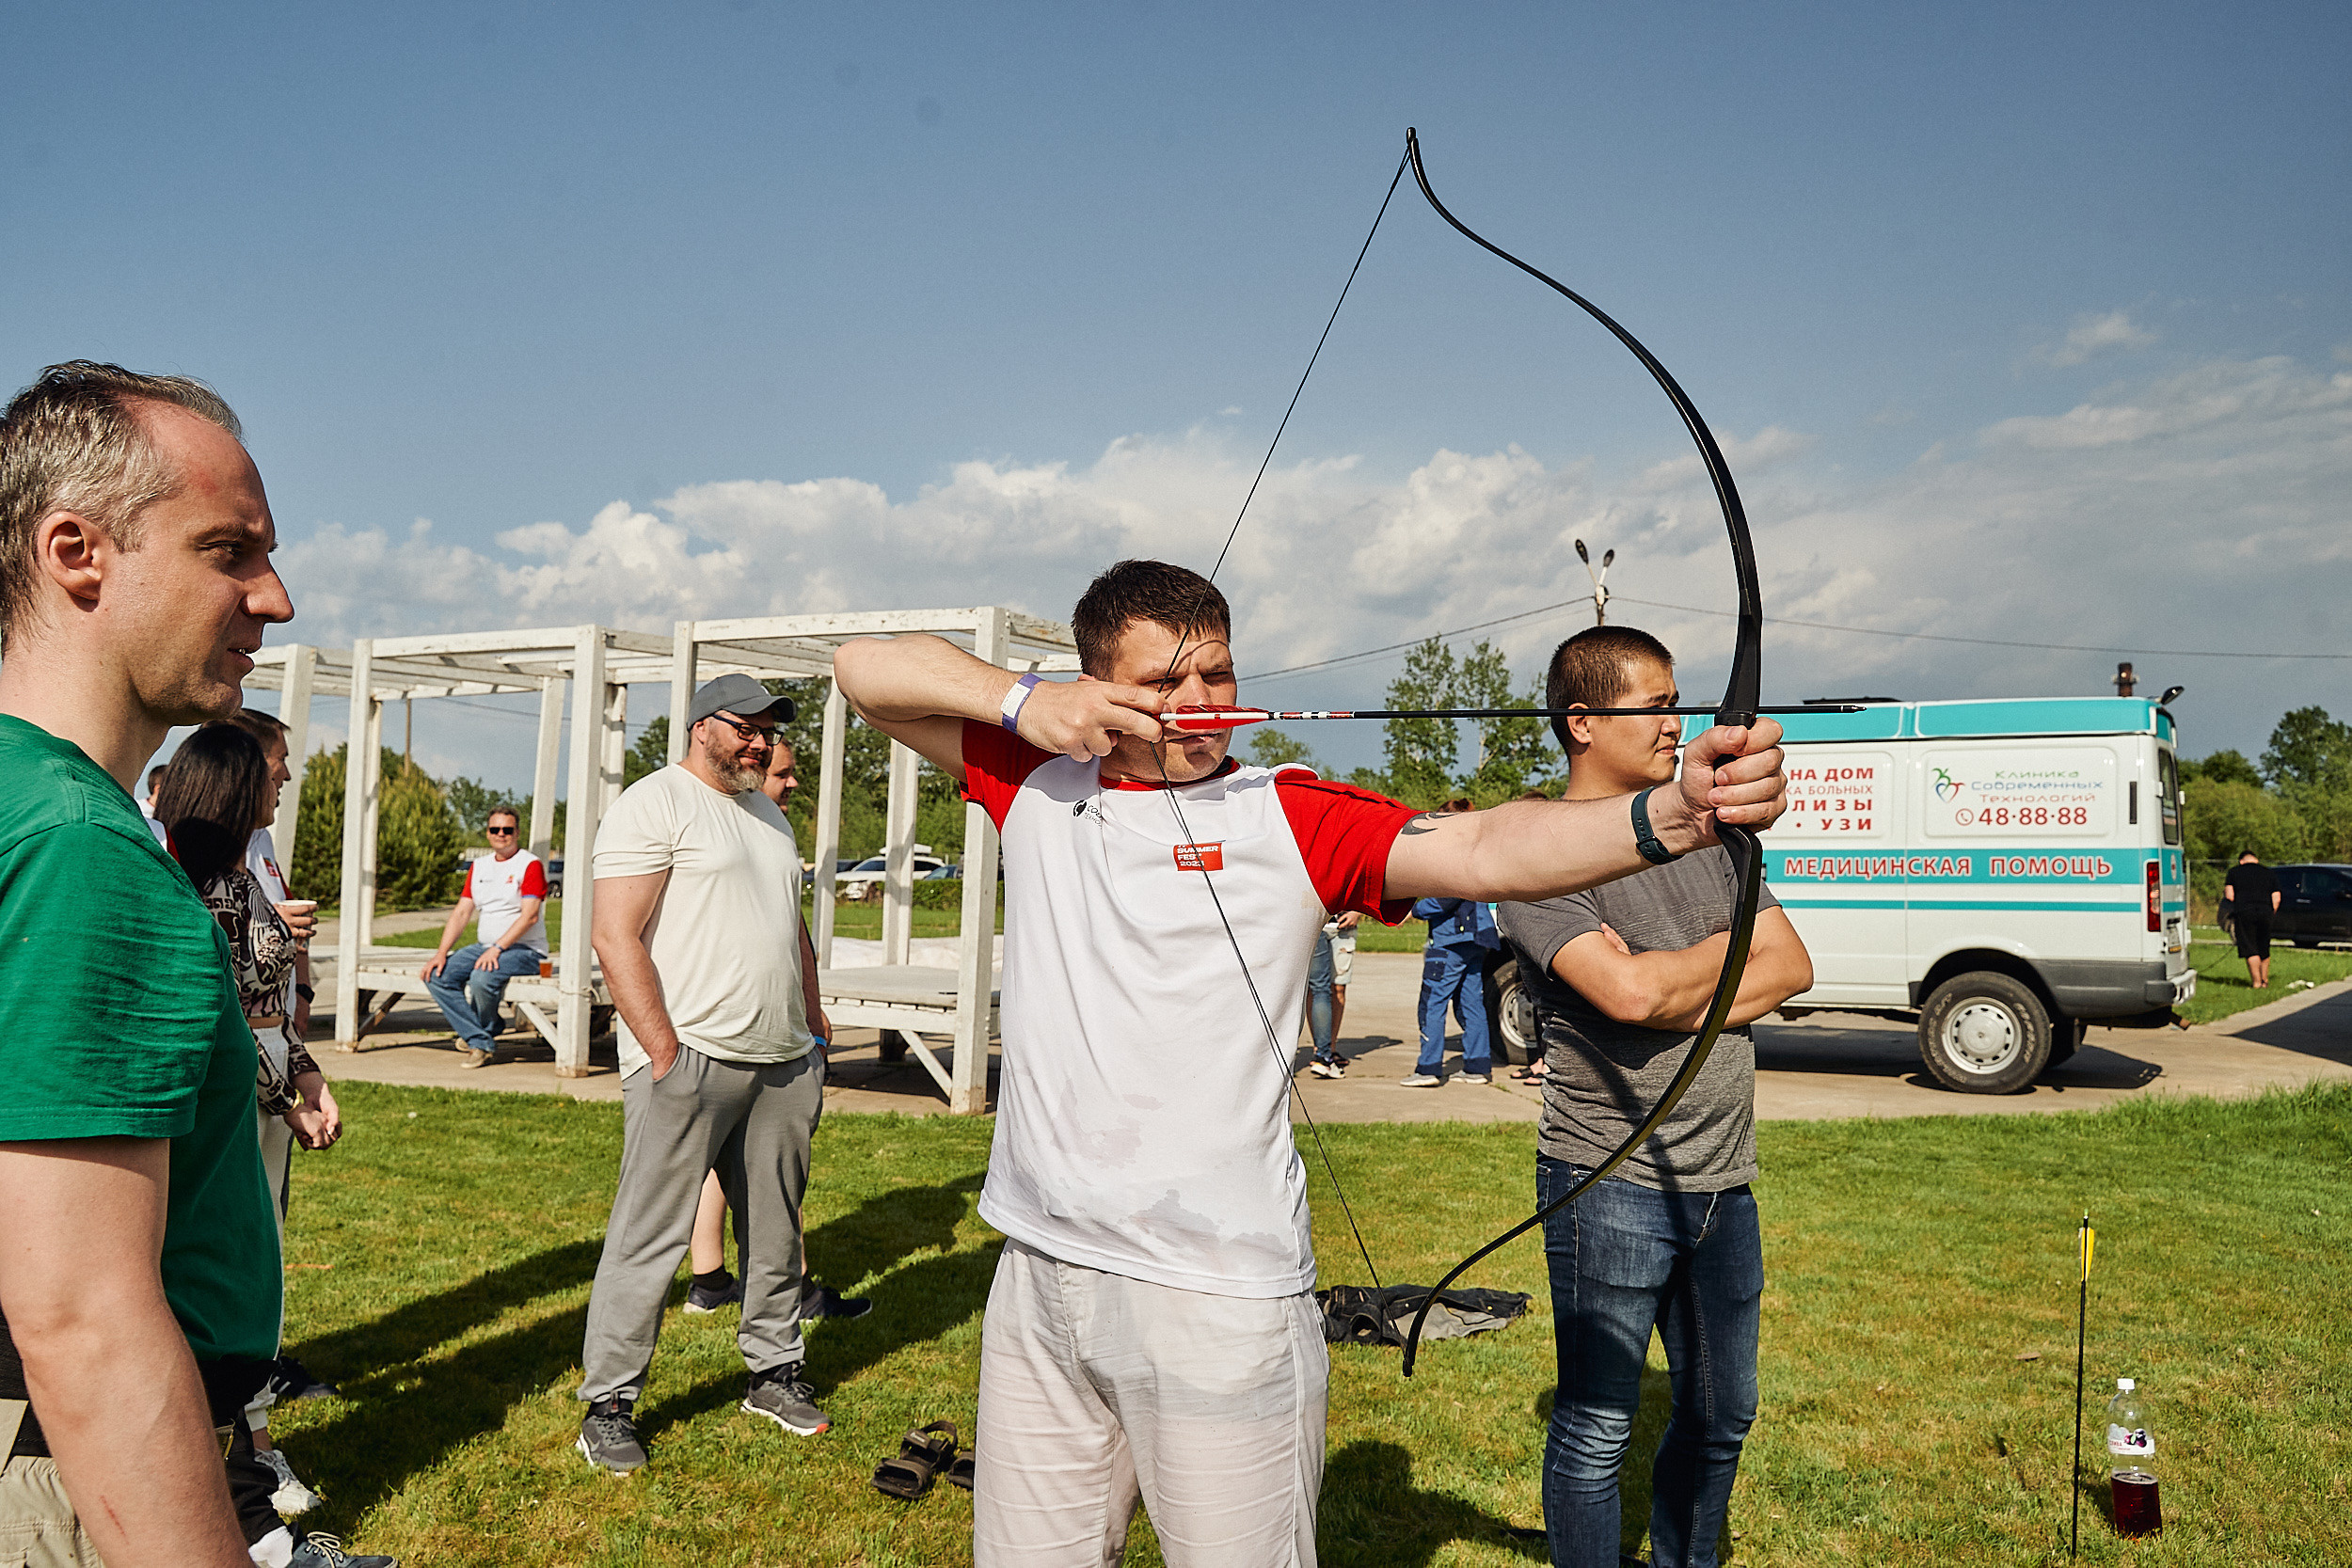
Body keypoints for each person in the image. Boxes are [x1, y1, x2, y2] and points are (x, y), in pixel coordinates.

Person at [833, 558, 1788, 1568]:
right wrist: (1024, 701)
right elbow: (863, 666)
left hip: (1219, 1292)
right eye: (1164, 683)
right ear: (1098, 684)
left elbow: (1480, 851)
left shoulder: (1284, 810)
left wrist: (1669, 817)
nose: (1201, 706)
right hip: (1038, 1267)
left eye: (1218, 677)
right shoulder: (1027, 774)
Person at [0, 359, 362, 1567]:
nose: (279, 596)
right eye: (230, 550)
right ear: (76, 550)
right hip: (57, 1462)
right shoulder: (84, 845)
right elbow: (86, 1320)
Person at [1495, 626, 1814, 1568]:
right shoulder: (1534, 857)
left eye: (1680, 698)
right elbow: (1625, 996)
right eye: (1657, 703)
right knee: (1595, 1430)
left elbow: (1792, 963)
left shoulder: (1708, 832)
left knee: (1722, 1413)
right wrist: (1724, 961)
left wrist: (1673, 980)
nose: (1681, 720)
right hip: (1608, 1178)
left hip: (1723, 1178)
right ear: (1582, 722)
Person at [576, 675, 835, 1475]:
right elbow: (614, 935)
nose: (761, 742)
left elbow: (789, 926)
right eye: (748, 728)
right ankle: (609, 1404)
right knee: (647, 1235)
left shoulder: (768, 816)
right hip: (688, 1060)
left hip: (782, 1059)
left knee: (775, 1230)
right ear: (701, 726)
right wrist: (662, 1050)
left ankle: (772, 1371)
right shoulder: (653, 803)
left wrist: (815, 1023)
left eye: (769, 732)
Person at [155, 725, 388, 1566]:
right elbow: (227, 1019)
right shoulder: (197, 886)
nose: (281, 783)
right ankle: (250, 1517)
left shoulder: (232, 869)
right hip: (227, 1110)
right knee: (217, 1294)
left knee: (245, 1282)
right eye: (269, 772)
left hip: (260, 1089)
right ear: (230, 785)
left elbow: (267, 1006)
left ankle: (251, 1482)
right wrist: (289, 1091)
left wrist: (304, 1073)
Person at [685, 738, 868, 1324]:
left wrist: (812, 1008)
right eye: (780, 773)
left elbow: (794, 933)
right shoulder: (743, 833)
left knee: (726, 1158)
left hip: (748, 1027)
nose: (789, 785)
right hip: (743, 1033)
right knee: (774, 1174)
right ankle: (796, 1290)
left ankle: (709, 1279)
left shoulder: (760, 831)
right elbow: (790, 935)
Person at [419, 806, 549, 1067]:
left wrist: (498, 948)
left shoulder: (529, 864)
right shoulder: (479, 866)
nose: (501, 834)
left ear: (517, 833)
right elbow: (462, 913)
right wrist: (441, 953)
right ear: (488, 833)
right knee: (437, 976)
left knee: (482, 977)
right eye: (495, 829)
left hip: (526, 951)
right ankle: (481, 1033)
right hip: (485, 947)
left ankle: (480, 1042)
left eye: (507, 830)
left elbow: (530, 916)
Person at [1405, 802, 1501, 1087]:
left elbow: (1446, 897)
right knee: (1472, 1003)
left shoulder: (1454, 852)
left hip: (1450, 941)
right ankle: (1477, 1066)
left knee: (1432, 1003)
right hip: (1476, 939)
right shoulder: (1478, 849)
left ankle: (1429, 1069)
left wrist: (1415, 910)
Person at [1303, 911, 1359, 1079]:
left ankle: (1329, 1049)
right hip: (1316, 925)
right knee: (1317, 989)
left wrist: (1357, 912)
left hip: (1344, 927)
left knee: (1338, 989)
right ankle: (1321, 1051)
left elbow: (1364, 885)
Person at [2221, 849, 2280, 989]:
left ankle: (2256, 982)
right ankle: (2265, 981)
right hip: (2265, 912)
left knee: (2250, 947)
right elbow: (2276, 898)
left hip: (2244, 912)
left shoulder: (2234, 872)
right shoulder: (2269, 873)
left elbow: (2230, 896)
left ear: (2241, 861)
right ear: (2256, 860)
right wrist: (2271, 913)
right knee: (2263, 947)